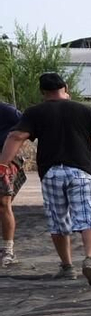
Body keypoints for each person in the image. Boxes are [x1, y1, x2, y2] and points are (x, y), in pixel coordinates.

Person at [0, 72, 91, 284]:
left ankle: (67, 267)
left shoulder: (35, 112)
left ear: (43, 91)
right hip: (82, 172)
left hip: (51, 173)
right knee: (88, 217)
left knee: (58, 221)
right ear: (65, 87)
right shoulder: (83, 110)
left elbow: (16, 136)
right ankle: (90, 259)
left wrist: (3, 164)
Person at [0, 100, 22, 267]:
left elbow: (27, 127)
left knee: (3, 203)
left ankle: (8, 251)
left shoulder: (6, 110)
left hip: (4, 160)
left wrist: (12, 151)